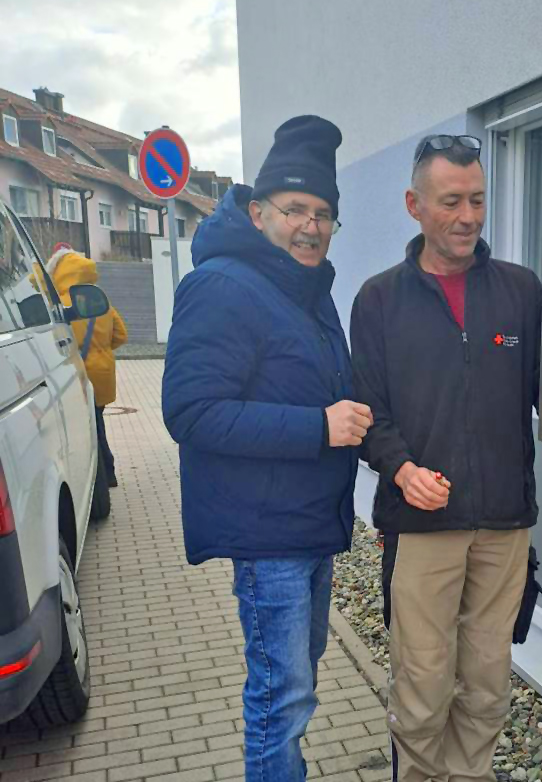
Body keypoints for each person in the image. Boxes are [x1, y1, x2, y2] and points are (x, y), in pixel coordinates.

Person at [350, 135, 542, 782]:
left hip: (504, 523)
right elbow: (367, 413)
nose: (468, 216)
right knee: (422, 691)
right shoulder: (379, 300)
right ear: (414, 205)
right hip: (421, 527)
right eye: (451, 201)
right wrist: (400, 469)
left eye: (477, 199)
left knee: (486, 686)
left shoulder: (520, 291)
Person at [162, 116, 373, 781]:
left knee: (296, 686)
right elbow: (191, 412)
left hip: (307, 528)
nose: (310, 226)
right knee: (280, 700)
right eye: (294, 210)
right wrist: (318, 426)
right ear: (257, 213)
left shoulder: (307, 292)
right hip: (269, 535)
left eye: (323, 214)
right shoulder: (222, 285)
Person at [47, 243, 127, 487]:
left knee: (89, 429)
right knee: (97, 422)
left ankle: (102, 475)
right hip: (102, 373)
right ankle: (107, 472)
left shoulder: (54, 304)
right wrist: (101, 350)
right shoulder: (97, 299)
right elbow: (121, 335)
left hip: (75, 376)